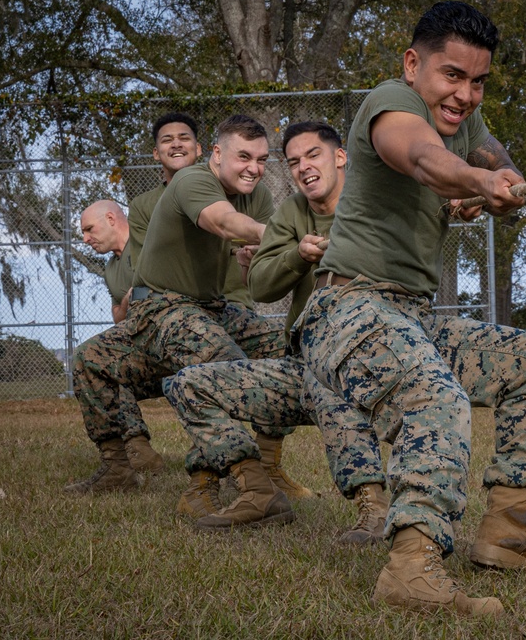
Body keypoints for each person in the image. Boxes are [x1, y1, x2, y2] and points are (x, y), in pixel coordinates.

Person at [295, 1, 526, 616]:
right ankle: (411, 570)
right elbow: (423, 157)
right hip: (346, 307)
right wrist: (473, 182)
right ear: (413, 65)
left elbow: (493, 155)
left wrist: (499, 177)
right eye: (452, 75)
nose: (466, 94)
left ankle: (509, 531)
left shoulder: (464, 123)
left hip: (411, 314)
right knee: (436, 395)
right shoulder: (389, 104)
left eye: (478, 81)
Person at [66, 115, 300, 526]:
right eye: (243, 156)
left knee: (288, 348)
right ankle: (251, 485)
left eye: (262, 159)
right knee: (213, 361)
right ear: (216, 154)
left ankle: (252, 465)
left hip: (212, 308)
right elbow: (222, 222)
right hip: (160, 308)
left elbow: (256, 261)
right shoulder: (191, 180)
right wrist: (288, 236)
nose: (253, 167)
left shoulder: (256, 195)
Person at [163, 121, 389, 539]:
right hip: (303, 362)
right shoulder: (290, 212)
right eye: (293, 162)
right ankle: (258, 486)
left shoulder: (375, 207)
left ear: (340, 157)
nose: (303, 168)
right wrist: (296, 255)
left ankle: (373, 507)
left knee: (327, 378)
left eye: (313, 155)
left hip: (364, 360)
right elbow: (263, 288)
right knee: (187, 384)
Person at [128, 112, 256, 310]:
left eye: (184, 138)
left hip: (233, 305)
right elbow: (147, 269)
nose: (176, 144)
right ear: (155, 152)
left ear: (198, 149)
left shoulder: (243, 189)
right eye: (167, 140)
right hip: (174, 307)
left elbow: (251, 245)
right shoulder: (142, 205)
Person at [77, 199, 165, 474]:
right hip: (143, 351)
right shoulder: (111, 269)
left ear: (112, 219)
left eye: (89, 229)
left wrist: (135, 297)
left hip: (172, 340)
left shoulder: (146, 242)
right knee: (105, 368)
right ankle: (137, 449)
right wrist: (129, 301)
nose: (85, 238)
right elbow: (119, 315)